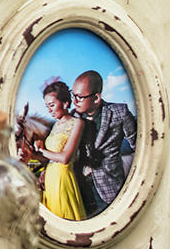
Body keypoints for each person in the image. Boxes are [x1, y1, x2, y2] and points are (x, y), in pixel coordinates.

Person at [71, 69, 137, 216]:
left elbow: (138, 146)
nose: (74, 101)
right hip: (79, 188)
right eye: (72, 95)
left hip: (109, 189)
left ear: (96, 98)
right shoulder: (72, 117)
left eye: (79, 97)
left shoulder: (120, 112)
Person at [33, 79, 86, 220]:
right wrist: (44, 170)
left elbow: (64, 158)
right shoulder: (55, 126)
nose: (49, 110)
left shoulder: (77, 123)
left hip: (63, 180)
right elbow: (52, 157)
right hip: (50, 180)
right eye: (47, 106)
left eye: (52, 105)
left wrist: (41, 150)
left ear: (65, 103)